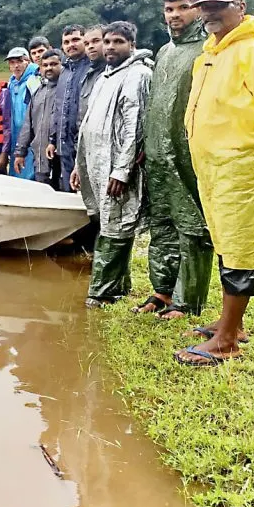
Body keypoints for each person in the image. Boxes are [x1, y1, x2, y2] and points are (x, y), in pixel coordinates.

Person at [175, 0, 254, 366]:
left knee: (240, 243)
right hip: (210, 165)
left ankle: (227, 339)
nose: (210, 13)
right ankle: (231, 322)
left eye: (219, 6)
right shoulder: (208, 55)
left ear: (240, 6)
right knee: (224, 238)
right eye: (205, 7)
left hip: (238, 162)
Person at [136, 0, 215, 320]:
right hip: (156, 154)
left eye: (182, 8)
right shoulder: (163, 52)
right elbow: (154, 105)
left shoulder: (208, 51)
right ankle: (162, 290)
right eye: (169, 10)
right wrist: (144, 145)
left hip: (188, 155)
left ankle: (188, 300)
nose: (175, 16)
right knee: (162, 224)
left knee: (192, 227)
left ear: (197, 9)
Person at [71, 22, 152, 308]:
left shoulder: (138, 75)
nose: (109, 47)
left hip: (117, 167)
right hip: (94, 164)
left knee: (115, 226)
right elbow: (88, 126)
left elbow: (135, 127)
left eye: (118, 42)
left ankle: (103, 292)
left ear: (131, 45)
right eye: (106, 41)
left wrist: (122, 170)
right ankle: (119, 284)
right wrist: (79, 166)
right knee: (104, 220)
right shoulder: (104, 76)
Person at [48, 24, 90, 191]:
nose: (71, 45)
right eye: (66, 42)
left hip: (85, 145)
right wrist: (53, 140)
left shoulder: (92, 69)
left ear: (84, 41)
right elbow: (58, 109)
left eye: (75, 40)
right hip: (64, 145)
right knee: (67, 190)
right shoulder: (64, 72)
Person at [15, 49, 62, 187]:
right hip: (40, 158)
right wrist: (20, 153)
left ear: (62, 65)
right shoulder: (38, 92)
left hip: (60, 160)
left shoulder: (67, 91)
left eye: (53, 64)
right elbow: (27, 125)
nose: (49, 68)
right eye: (45, 65)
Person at [2, 47, 41, 179]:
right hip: (15, 136)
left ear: (27, 61)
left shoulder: (35, 79)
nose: (16, 65)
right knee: (15, 171)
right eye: (12, 62)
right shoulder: (11, 83)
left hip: (31, 135)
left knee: (29, 173)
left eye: (19, 61)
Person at [77, 25, 105, 129]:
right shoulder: (88, 76)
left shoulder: (116, 72)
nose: (90, 46)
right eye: (86, 43)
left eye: (96, 41)